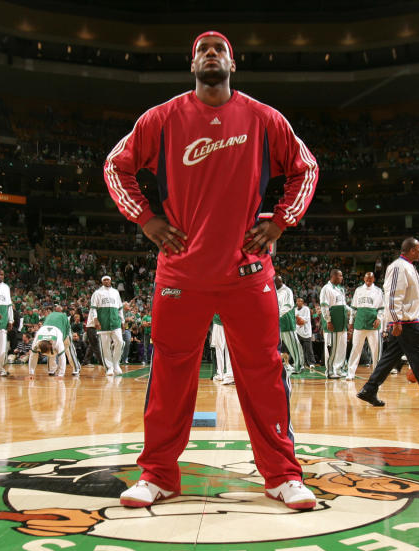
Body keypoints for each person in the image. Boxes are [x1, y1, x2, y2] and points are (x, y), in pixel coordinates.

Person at [104, 30, 319, 510]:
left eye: (219, 49)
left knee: (263, 372)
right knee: (169, 377)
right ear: (192, 64)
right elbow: (114, 167)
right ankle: (158, 474)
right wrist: (148, 219)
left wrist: (280, 222)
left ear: (232, 64)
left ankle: (283, 475)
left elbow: (306, 168)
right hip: (181, 274)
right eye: (203, 49)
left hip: (247, 273)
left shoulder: (265, 118)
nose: (211, 54)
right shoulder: (160, 119)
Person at [356, 238, 419, 410]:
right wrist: (396, 320)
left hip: (409, 320)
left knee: (389, 358)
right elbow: (393, 295)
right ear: (412, 250)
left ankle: (369, 389)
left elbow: (412, 297)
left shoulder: (410, 267)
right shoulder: (398, 267)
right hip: (405, 323)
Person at [346, 272, 383, 380]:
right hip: (360, 322)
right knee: (355, 349)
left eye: (371, 279)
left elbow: (381, 308)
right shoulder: (358, 290)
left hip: (373, 324)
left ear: (374, 279)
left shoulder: (378, 291)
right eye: (367, 279)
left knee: (375, 350)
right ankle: (350, 373)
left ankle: (377, 374)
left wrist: (379, 318)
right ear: (364, 279)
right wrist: (351, 323)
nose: (369, 281)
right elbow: (353, 308)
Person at [89, 275, 125, 377]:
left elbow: (120, 308)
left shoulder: (116, 292)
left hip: (115, 322)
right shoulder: (97, 293)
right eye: (104, 280)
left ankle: (116, 363)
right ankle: (109, 368)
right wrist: (95, 320)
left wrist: (122, 321)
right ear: (102, 282)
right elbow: (93, 308)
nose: (106, 281)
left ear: (110, 280)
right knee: (105, 346)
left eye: (108, 279)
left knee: (120, 342)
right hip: (103, 323)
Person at [320, 269, 349, 379]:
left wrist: (353, 311)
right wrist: (328, 320)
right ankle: (330, 371)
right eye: (340, 276)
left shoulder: (341, 289)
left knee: (342, 347)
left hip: (342, 323)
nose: (342, 278)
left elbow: (344, 305)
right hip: (332, 323)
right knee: (332, 348)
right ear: (333, 276)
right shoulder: (326, 289)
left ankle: (338, 369)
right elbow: (324, 306)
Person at [275, 275, 302, 374]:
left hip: (287, 322)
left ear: (280, 282)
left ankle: (298, 366)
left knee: (293, 346)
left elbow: (288, 306)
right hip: (278, 323)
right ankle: (282, 365)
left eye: (275, 282)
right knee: (278, 346)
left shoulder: (287, 291)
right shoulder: (275, 292)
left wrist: (276, 316)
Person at [210, 313, 233, 384]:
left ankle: (221, 374)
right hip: (228, 321)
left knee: (220, 349)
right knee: (228, 349)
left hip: (220, 322)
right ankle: (229, 374)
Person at [294, 297, 314, 369]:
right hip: (298, 331)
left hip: (306, 331)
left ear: (303, 302)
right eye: (297, 301)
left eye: (300, 301)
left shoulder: (306, 309)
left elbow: (306, 319)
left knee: (308, 348)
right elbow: (294, 320)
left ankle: (311, 363)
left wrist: (299, 319)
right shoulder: (295, 310)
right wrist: (297, 320)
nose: (298, 302)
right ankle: (301, 363)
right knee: (299, 348)